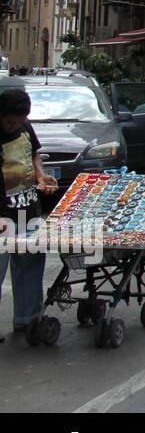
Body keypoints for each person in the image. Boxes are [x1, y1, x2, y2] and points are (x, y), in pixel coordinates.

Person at [0, 89, 59, 343]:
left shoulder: (25, 126)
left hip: (27, 209)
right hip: (2, 215)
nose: (15, 125)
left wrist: (39, 176)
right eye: (10, 121)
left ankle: (27, 319)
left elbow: (33, 152)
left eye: (20, 120)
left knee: (29, 264)